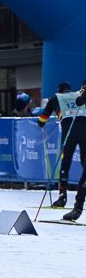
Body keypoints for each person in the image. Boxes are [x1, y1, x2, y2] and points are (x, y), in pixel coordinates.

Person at [41, 81, 86, 218]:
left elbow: (42, 120)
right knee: (85, 165)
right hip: (85, 128)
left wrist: (42, 123)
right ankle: (79, 202)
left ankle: (62, 197)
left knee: (65, 164)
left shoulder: (56, 98)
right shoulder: (79, 94)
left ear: (59, 91)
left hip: (69, 130)